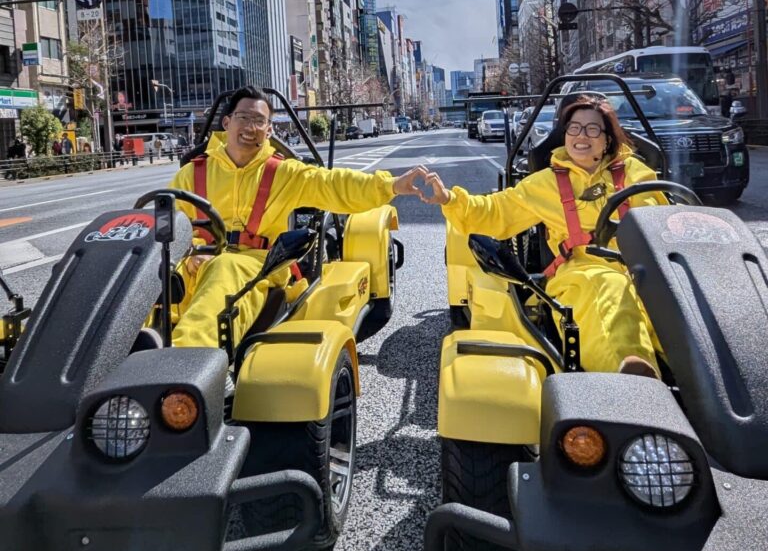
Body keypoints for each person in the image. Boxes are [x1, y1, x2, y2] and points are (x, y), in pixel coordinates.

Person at [420, 95, 666, 378]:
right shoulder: (547, 182)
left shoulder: (637, 173)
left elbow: (666, 221)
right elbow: (496, 211)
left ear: (608, 139)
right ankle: (633, 379)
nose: (581, 136)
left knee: (678, 302)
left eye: (592, 129)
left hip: (642, 270)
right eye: (574, 128)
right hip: (581, 273)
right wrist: (450, 199)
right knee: (608, 289)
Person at [168, 85, 427, 350]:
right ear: (226, 122)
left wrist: (391, 185)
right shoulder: (191, 173)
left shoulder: (283, 173)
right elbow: (165, 225)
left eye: (259, 120)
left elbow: (334, 184)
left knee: (224, 271)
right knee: (153, 277)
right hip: (196, 261)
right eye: (243, 117)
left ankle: (182, 369)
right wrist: (190, 252)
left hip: (256, 265)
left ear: (269, 130)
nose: (250, 126)